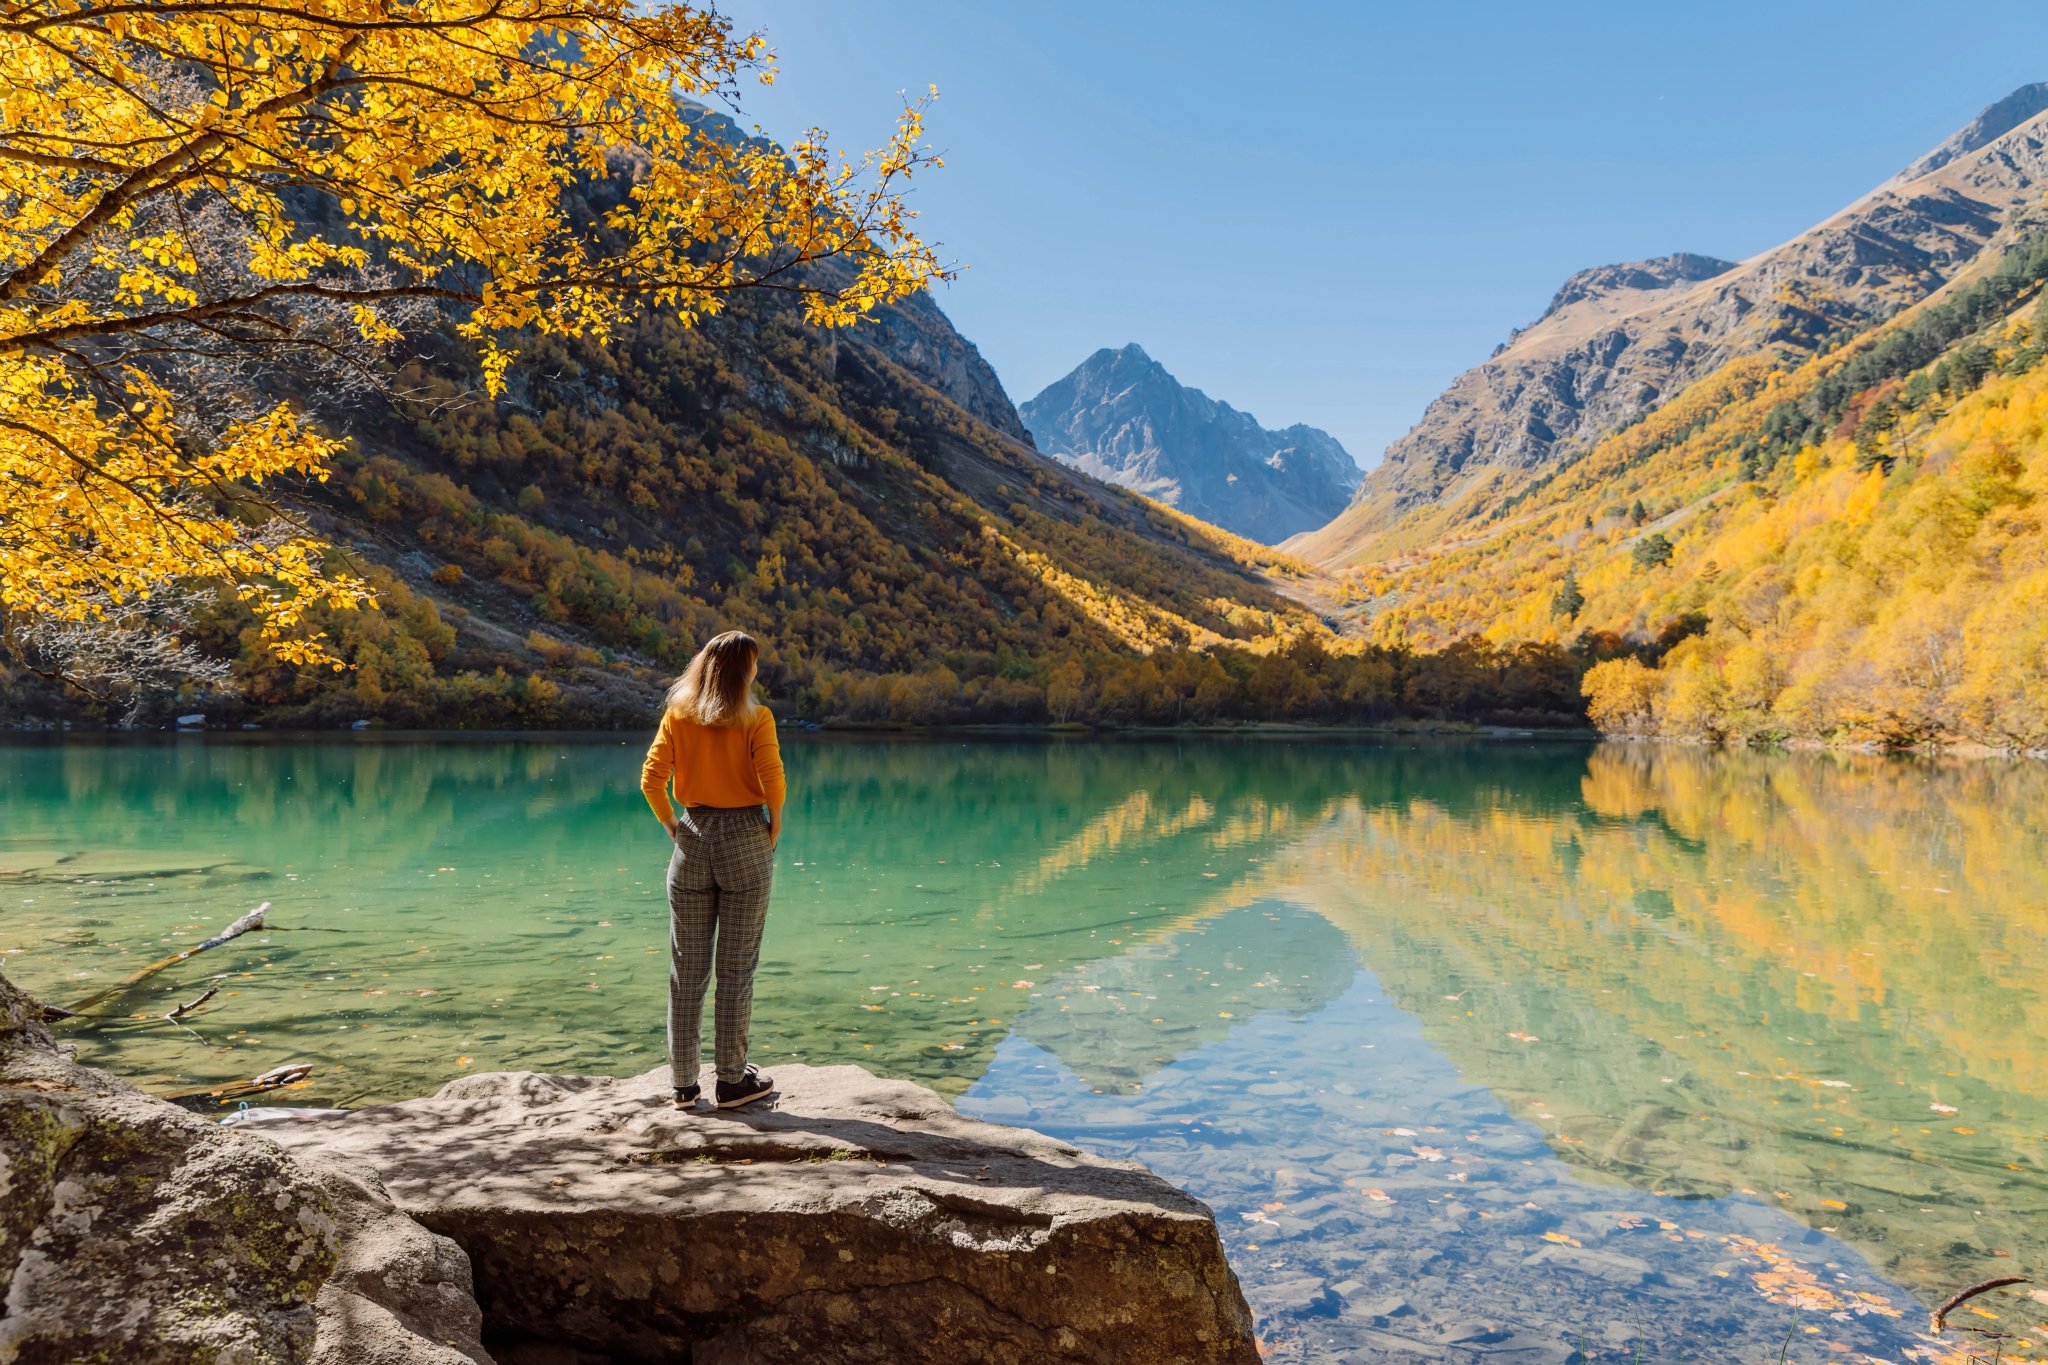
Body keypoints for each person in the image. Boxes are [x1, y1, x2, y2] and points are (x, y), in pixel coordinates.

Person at [639, 630, 785, 1110]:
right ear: (746, 672)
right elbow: (773, 779)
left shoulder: (678, 714)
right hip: (746, 837)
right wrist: (773, 829)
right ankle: (731, 1082)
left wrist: (671, 827)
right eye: (755, 665)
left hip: (693, 838)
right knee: (736, 969)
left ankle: (683, 1085)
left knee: (687, 970)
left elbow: (651, 780)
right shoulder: (756, 717)